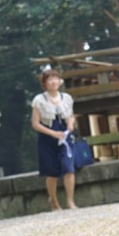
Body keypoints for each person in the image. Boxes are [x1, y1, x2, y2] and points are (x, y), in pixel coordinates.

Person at [31, 70, 78, 210]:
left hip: (64, 136)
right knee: (51, 172)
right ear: (44, 83)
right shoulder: (39, 100)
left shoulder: (67, 98)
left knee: (69, 168)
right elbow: (35, 124)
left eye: (56, 78)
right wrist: (52, 133)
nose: (53, 82)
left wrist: (71, 123)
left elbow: (71, 115)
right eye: (50, 79)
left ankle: (70, 201)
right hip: (47, 137)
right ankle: (53, 201)